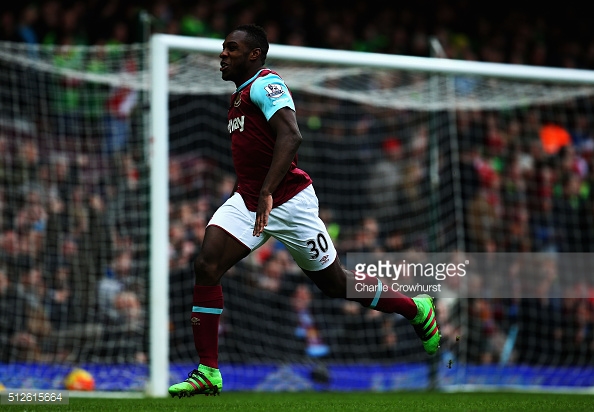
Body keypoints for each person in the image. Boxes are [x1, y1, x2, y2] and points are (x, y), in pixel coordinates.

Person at [168, 24, 440, 398]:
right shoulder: (237, 96)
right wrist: (257, 193)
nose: (223, 54)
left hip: (289, 202)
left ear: (254, 54)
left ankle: (415, 308)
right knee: (207, 264)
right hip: (248, 201)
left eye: (231, 48)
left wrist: (267, 190)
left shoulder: (267, 84)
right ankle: (208, 371)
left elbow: (292, 135)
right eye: (223, 48)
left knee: (334, 283)